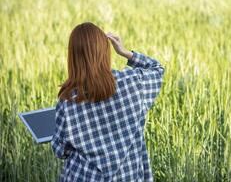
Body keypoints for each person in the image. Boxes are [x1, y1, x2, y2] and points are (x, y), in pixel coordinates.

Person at [50, 22, 165, 182]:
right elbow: (157, 69)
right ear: (105, 50)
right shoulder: (133, 83)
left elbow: (60, 150)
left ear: (73, 57)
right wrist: (125, 52)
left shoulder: (68, 100)